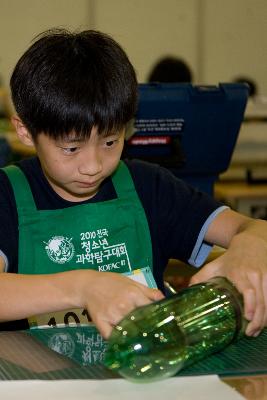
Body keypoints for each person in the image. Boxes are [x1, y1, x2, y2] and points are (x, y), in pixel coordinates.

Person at [0, 28, 266, 340]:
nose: (93, 165)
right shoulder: (7, 194)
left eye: (111, 142)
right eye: (71, 148)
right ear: (26, 131)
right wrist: (84, 287)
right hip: (41, 386)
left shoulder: (147, 186)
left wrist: (253, 243)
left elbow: (251, 228)